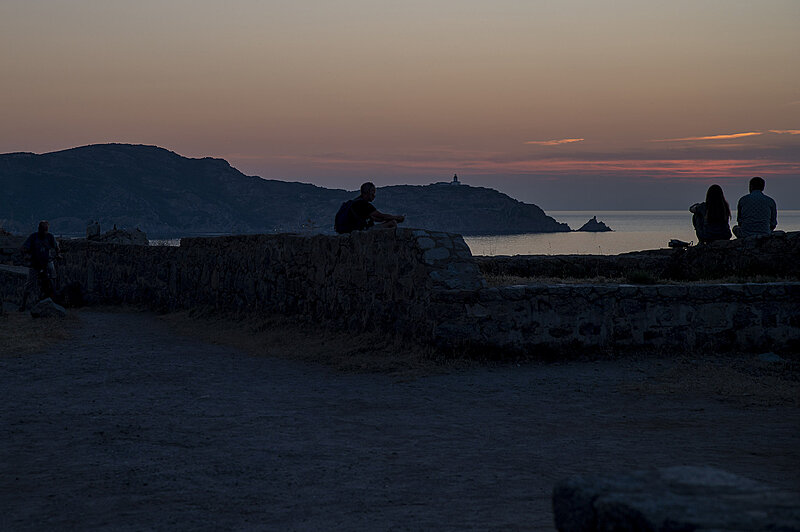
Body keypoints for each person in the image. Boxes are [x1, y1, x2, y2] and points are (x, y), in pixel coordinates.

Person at [19, 220, 60, 311]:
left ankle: (56, 300)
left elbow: (56, 247)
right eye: (43, 229)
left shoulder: (50, 237)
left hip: (47, 262)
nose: (45, 232)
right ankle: (23, 305)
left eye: (46, 230)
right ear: (39, 229)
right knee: (29, 284)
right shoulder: (33, 237)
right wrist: (26, 254)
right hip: (35, 264)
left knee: (53, 277)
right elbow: (25, 247)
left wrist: (58, 254)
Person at [338, 182, 405, 233]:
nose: (374, 196)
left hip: (353, 230)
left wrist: (389, 218)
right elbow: (381, 216)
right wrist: (396, 218)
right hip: (361, 231)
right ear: (366, 193)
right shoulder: (363, 204)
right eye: (372, 193)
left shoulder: (355, 203)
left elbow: (376, 219)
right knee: (392, 223)